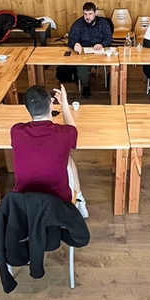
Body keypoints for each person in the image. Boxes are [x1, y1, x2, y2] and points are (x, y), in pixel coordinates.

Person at [10, 84, 89, 218]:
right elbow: (72, 129)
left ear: (27, 108)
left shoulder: (16, 131)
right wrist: (64, 104)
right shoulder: (64, 134)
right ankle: (80, 199)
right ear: (51, 105)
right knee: (67, 157)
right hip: (58, 200)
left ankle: (79, 199)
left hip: (24, 200)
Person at [67, 2, 112, 98]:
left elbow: (108, 38)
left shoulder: (103, 23)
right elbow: (71, 39)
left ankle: (112, 84)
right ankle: (86, 86)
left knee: (115, 66)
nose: (87, 17)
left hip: (100, 51)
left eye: (90, 14)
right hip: (84, 52)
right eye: (85, 14)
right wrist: (75, 44)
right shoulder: (78, 24)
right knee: (82, 70)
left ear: (95, 13)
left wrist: (102, 44)